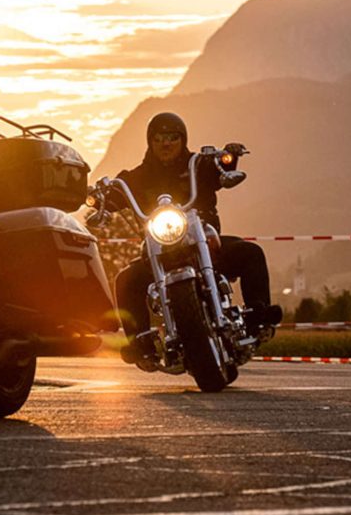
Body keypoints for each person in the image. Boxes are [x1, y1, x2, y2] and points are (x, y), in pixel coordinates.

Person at [112, 112, 282, 364]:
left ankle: (258, 316)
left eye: (172, 137)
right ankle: (140, 343)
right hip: (159, 250)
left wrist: (227, 158)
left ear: (182, 140)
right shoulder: (137, 177)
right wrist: (100, 195)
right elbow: (116, 191)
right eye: (159, 138)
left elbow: (220, 168)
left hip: (205, 244)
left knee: (250, 252)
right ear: (151, 142)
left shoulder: (198, 164)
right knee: (125, 279)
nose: (166, 143)